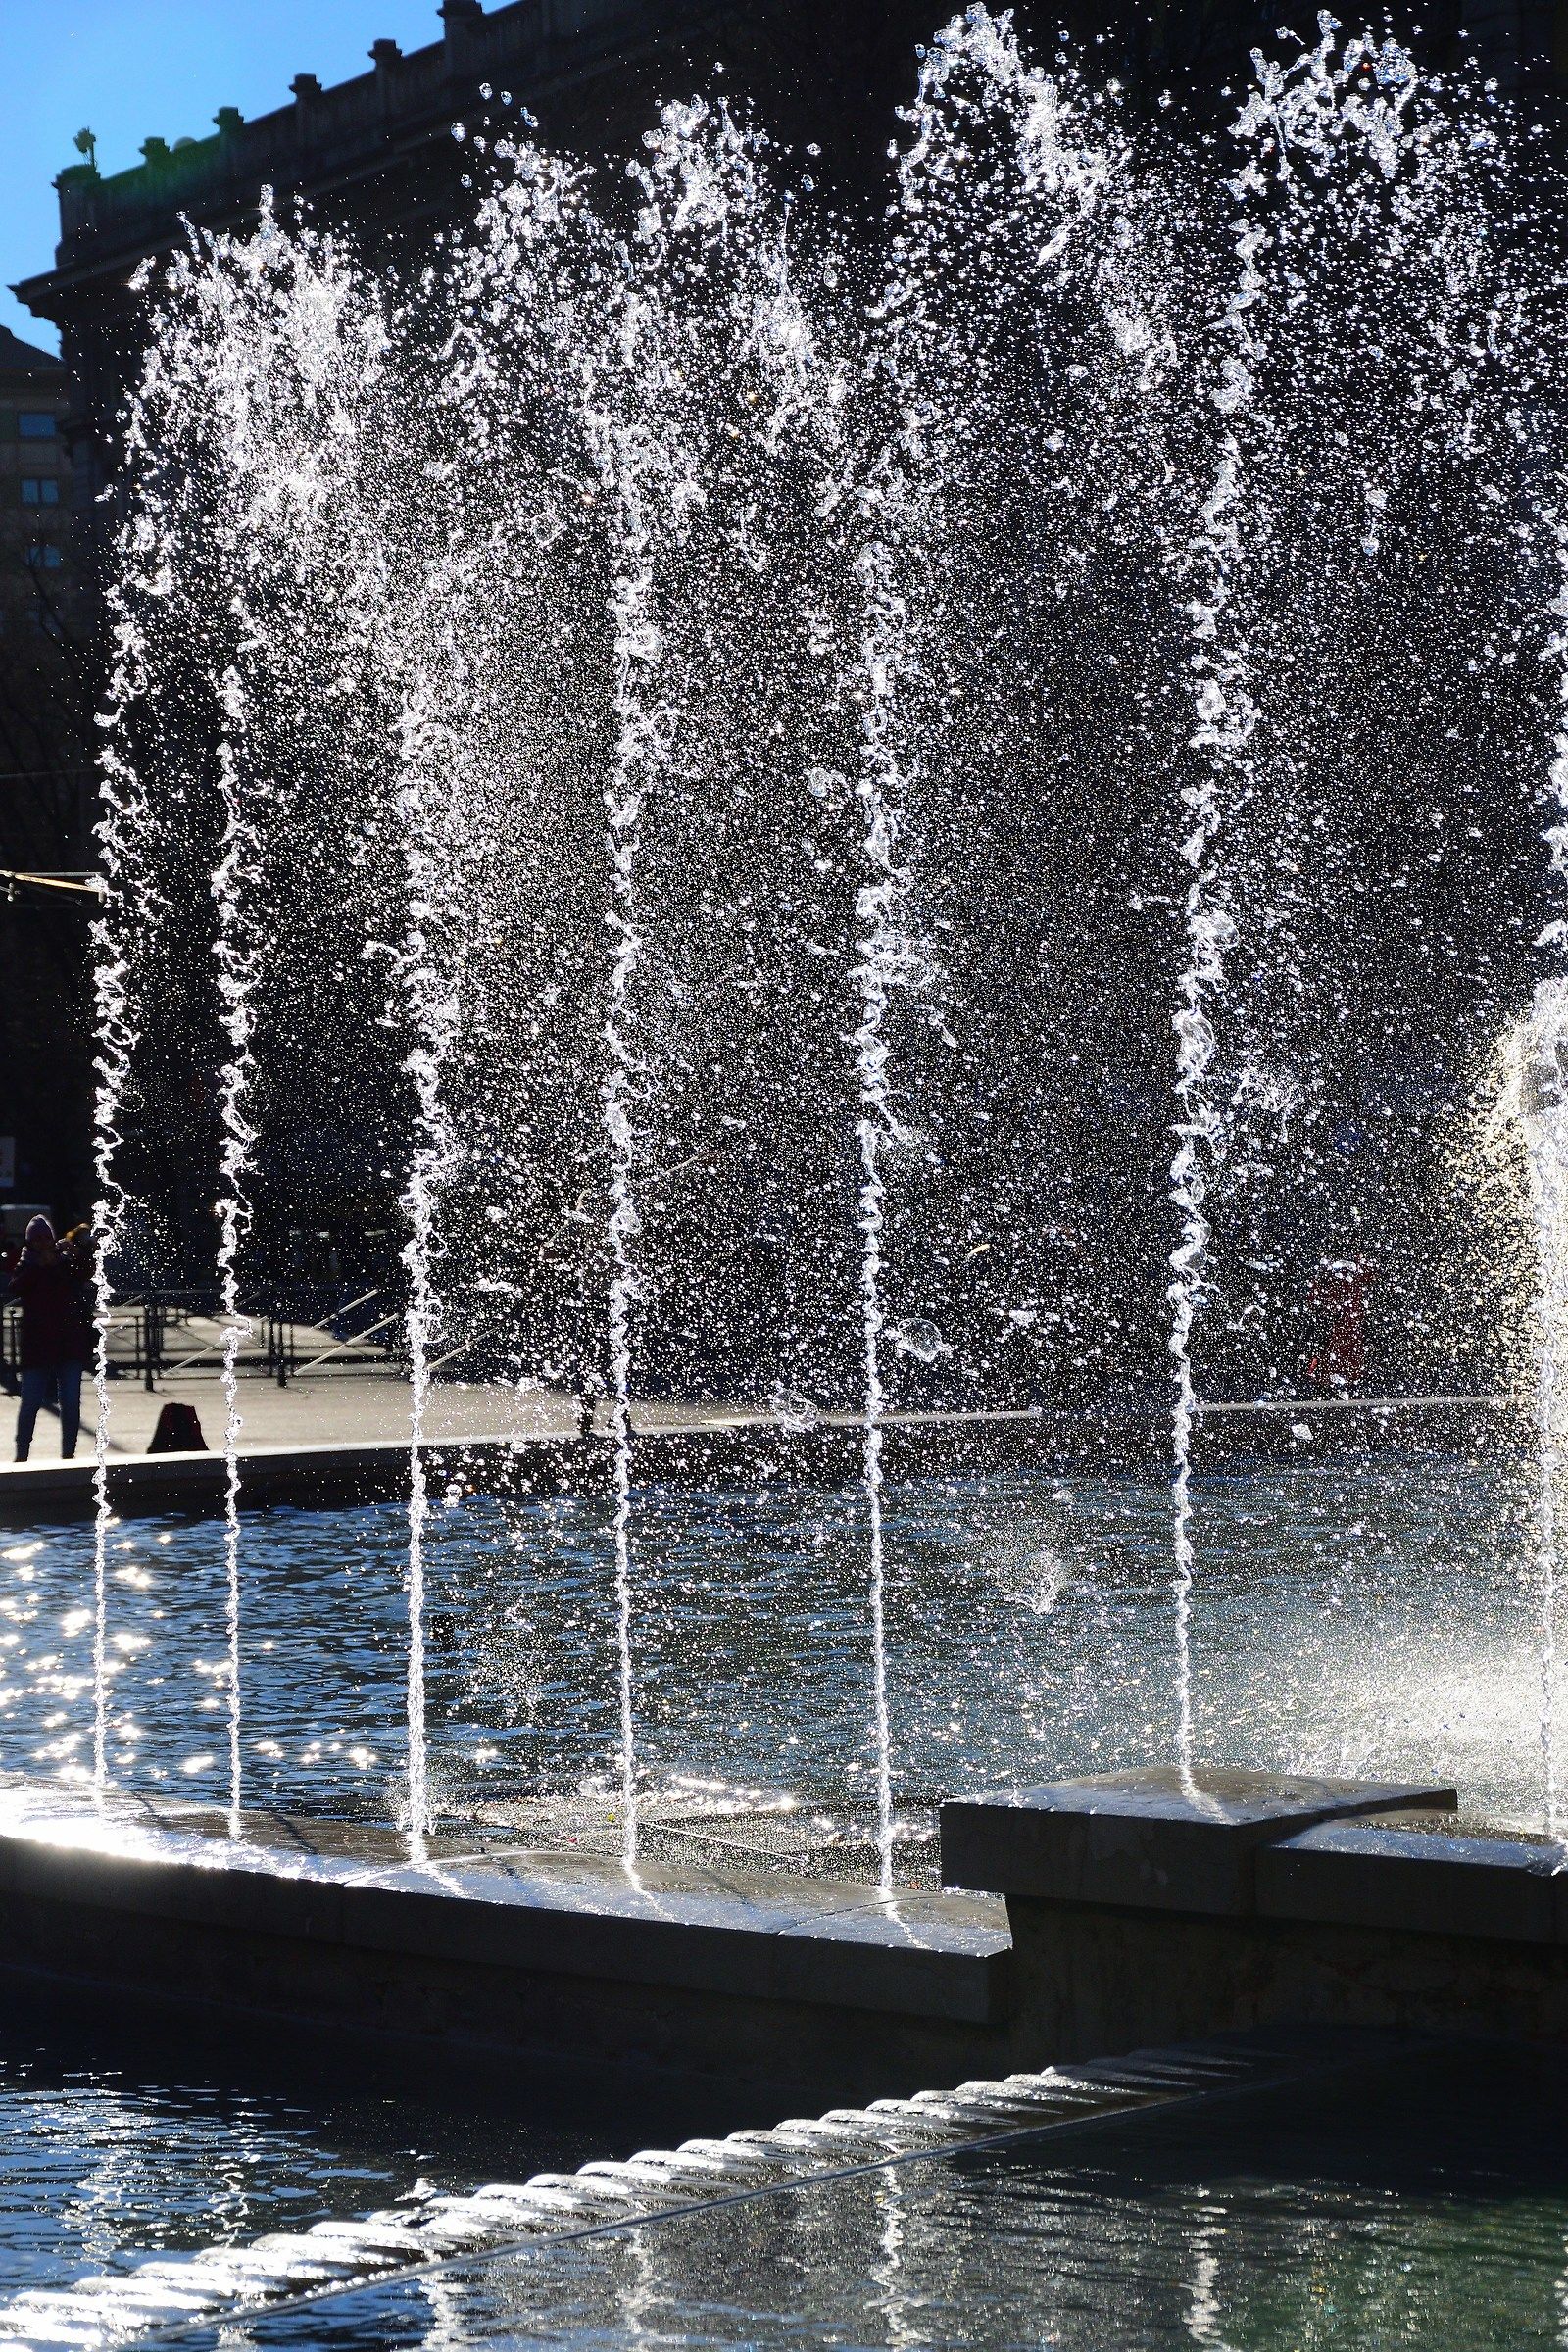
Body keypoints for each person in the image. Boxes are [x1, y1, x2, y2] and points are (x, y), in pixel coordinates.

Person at [5, 1216, 93, 1461]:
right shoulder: (27, 1263)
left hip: (68, 1343)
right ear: (31, 1242)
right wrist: (39, 1267)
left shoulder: (64, 1260)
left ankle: (69, 1454)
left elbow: (86, 1273)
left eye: (47, 1237)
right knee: (30, 1403)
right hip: (38, 1346)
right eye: (38, 1239)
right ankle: (21, 1455)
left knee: (71, 1403)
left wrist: (79, 1252)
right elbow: (16, 1287)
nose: (44, 1243)